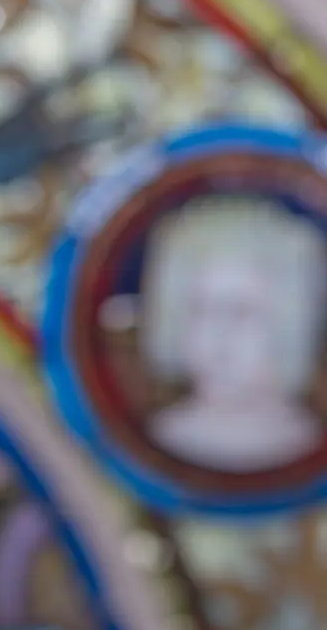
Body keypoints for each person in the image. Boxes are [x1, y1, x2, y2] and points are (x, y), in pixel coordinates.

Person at [140, 194, 327, 472]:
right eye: (200, 309)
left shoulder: (311, 445)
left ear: (291, 322)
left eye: (243, 311)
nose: (219, 334)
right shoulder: (155, 439)